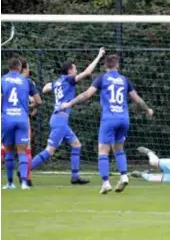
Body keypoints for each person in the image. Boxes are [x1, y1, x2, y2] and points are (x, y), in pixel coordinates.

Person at [61, 54, 153, 194]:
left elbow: (87, 95)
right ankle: (123, 176)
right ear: (118, 65)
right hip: (124, 119)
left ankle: (105, 183)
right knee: (119, 149)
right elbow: (137, 99)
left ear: (105, 66)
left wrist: (70, 103)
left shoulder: (102, 79)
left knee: (103, 151)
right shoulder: (124, 80)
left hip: (109, 119)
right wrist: (148, 109)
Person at [31, 48, 105, 184]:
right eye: (75, 69)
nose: (76, 71)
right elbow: (88, 72)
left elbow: (45, 89)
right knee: (49, 151)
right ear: (70, 70)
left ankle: (75, 177)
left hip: (59, 119)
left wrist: (49, 86)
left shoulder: (58, 81)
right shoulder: (70, 80)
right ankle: (25, 170)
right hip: (60, 119)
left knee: (76, 145)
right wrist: (99, 55)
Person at [2, 58, 42, 190]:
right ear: (19, 68)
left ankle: (9, 183)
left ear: (9, 67)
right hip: (22, 119)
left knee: (8, 152)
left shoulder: (2, 80)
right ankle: (24, 183)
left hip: (7, 118)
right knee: (22, 152)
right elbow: (39, 101)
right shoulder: (27, 81)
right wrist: (29, 106)